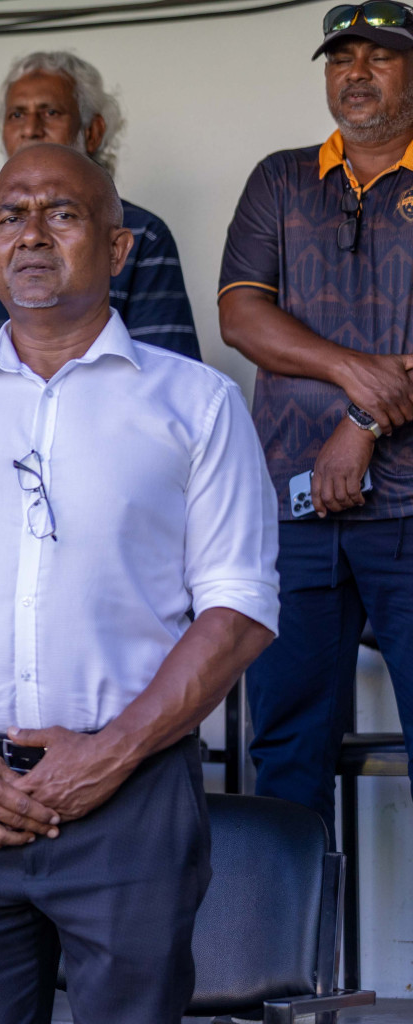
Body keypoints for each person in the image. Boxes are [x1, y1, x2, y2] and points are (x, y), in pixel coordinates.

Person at [0, 144, 279, 1023]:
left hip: (130, 801)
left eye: (64, 213)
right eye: (10, 216)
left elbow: (237, 611)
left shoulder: (197, 405)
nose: (33, 235)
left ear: (119, 249)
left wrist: (112, 752)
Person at [219, 2, 413, 830]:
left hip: (409, 510)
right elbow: (240, 316)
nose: (355, 74)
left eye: (379, 57)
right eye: (341, 59)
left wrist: (360, 429)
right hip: (296, 506)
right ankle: (292, 965)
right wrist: (357, 377)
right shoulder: (282, 179)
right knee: (287, 753)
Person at [0, 51, 199, 391]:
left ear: (93, 131)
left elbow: (168, 381)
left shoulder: (142, 235)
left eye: (50, 112)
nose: (30, 129)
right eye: (17, 114)